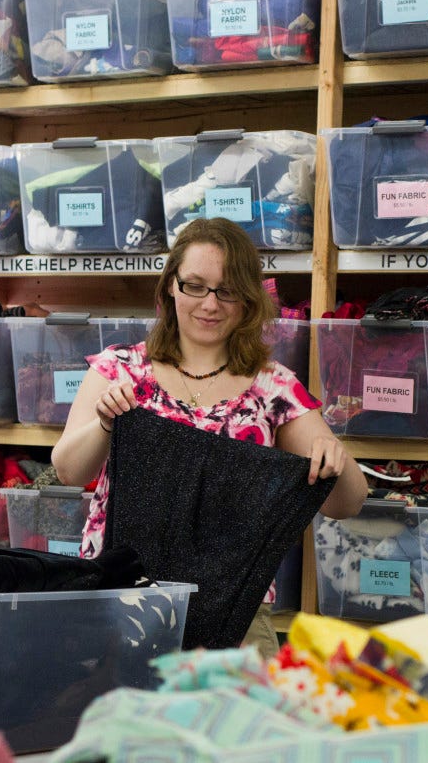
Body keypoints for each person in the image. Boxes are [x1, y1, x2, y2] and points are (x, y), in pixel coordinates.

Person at [51, 218, 368, 654]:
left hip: (233, 612)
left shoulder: (271, 387)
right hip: (120, 599)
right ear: (171, 288)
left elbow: (348, 502)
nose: (210, 304)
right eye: (195, 286)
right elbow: (67, 470)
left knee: (243, 720)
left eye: (228, 290)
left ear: (247, 299)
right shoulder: (120, 369)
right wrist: (106, 423)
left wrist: (336, 459)